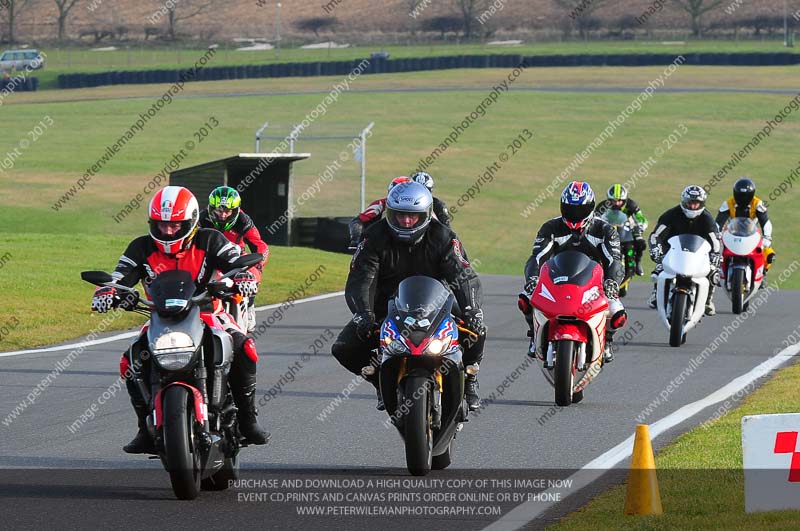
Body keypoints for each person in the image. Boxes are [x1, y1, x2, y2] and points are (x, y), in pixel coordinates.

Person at [91, 186, 268, 454]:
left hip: (210, 313)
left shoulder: (210, 239)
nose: (168, 231)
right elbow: (120, 275)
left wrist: (245, 278)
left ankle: (248, 419)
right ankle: (144, 426)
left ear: (191, 221)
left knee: (244, 347)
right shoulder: (141, 246)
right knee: (130, 359)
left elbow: (238, 262)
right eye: (162, 225)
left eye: (175, 225)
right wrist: (107, 291)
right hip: (159, 318)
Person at [333, 181, 486, 410]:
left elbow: (464, 276)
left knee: (477, 329)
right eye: (400, 215)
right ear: (390, 214)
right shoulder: (373, 237)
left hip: (438, 304)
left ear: (425, 215)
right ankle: (379, 379)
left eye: (412, 216)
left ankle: (471, 377)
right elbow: (361, 279)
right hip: (387, 305)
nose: (405, 221)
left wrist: (472, 308)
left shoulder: (443, 237)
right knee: (344, 348)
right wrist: (363, 313)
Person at [519, 181, 627, 363]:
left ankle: (607, 340)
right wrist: (533, 278)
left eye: (580, 210)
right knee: (525, 297)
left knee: (617, 312)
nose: (575, 215)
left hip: (594, 284)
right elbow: (537, 257)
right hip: (556, 280)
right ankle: (533, 335)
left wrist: (612, 282)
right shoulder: (551, 227)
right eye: (570, 209)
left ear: (591, 207)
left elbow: (614, 260)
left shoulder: (604, 230)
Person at [199, 186, 270, 332]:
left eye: (227, 211)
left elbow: (260, 245)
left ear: (235, 210)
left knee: (251, 272)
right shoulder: (202, 219)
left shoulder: (243, 221)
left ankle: (249, 303)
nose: (223, 216)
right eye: (219, 210)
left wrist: (258, 266)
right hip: (211, 257)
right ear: (211, 208)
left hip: (237, 258)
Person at [647, 185, 722, 315]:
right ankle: (656, 293)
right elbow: (655, 235)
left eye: (696, 204)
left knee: (713, 272)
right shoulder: (671, 214)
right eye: (690, 203)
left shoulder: (707, 218)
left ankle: (708, 301)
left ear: (702, 203)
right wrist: (655, 249)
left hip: (698, 254)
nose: (693, 207)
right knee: (660, 268)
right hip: (672, 252)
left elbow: (715, 240)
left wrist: (715, 254)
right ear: (683, 202)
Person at [347, 173, 452, 250]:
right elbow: (357, 221)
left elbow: (444, 229)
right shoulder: (380, 204)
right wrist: (356, 241)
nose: (406, 219)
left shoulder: (433, 207)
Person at [715, 177, 775, 286]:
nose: (743, 198)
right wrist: (716, 235)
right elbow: (718, 222)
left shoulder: (757, 203)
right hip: (732, 233)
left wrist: (767, 237)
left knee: (769, 254)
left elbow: (765, 222)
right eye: (740, 195)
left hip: (752, 235)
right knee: (716, 251)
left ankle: (763, 273)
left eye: (746, 196)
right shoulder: (728, 203)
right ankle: (719, 272)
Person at [595, 184, 648, 276]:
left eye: (619, 201)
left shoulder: (631, 205)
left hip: (627, 230)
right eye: (613, 201)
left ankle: (638, 262)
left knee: (640, 243)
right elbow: (594, 218)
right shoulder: (602, 206)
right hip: (609, 230)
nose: (616, 203)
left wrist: (640, 225)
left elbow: (640, 218)